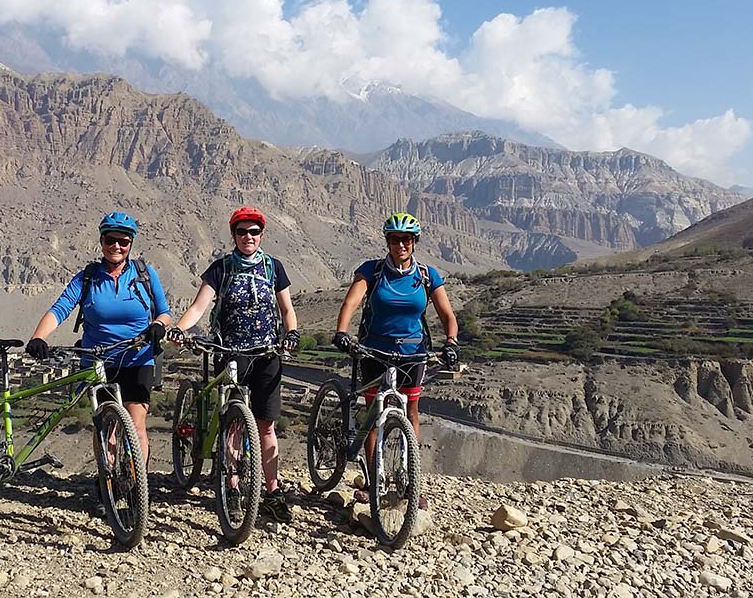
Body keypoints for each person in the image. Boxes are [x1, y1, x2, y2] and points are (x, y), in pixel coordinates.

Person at [168, 206, 300, 523]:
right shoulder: (221, 269)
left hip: (267, 353)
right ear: (234, 235)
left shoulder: (273, 267)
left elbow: (286, 309)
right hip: (230, 353)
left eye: (254, 231)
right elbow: (199, 306)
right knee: (235, 423)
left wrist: (292, 333)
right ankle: (232, 488)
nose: (248, 237)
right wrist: (180, 329)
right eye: (242, 232)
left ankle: (272, 491)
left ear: (262, 235)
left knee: (266, 425)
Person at [331, 212, 459, 508]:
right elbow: (351, 302)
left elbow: (447, 315)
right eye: (394, 239)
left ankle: (410, 481)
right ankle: (376, 481)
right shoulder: (372, 271)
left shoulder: (427, 275)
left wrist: (451, 342)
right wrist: (341, 332)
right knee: (374, 413)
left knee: (410, 410)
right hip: (374, 350)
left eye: (406, 239)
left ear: (414, 242)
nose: (400, 244)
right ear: (387, 241)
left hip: (413, 352)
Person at [26, 211, 171, 463]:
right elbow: (59, 309)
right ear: (102, 241)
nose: (116, 246)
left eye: (123, 242)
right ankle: (107, 484)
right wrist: (39, 337)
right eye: (110, 240)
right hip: (98, 362)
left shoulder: (145, 274)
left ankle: (138, 487)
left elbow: (164, 312)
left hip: (137, 358)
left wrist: (158, 325)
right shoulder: (87, 278)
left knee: (137, 426)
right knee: (105, 427)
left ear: (130, 244)